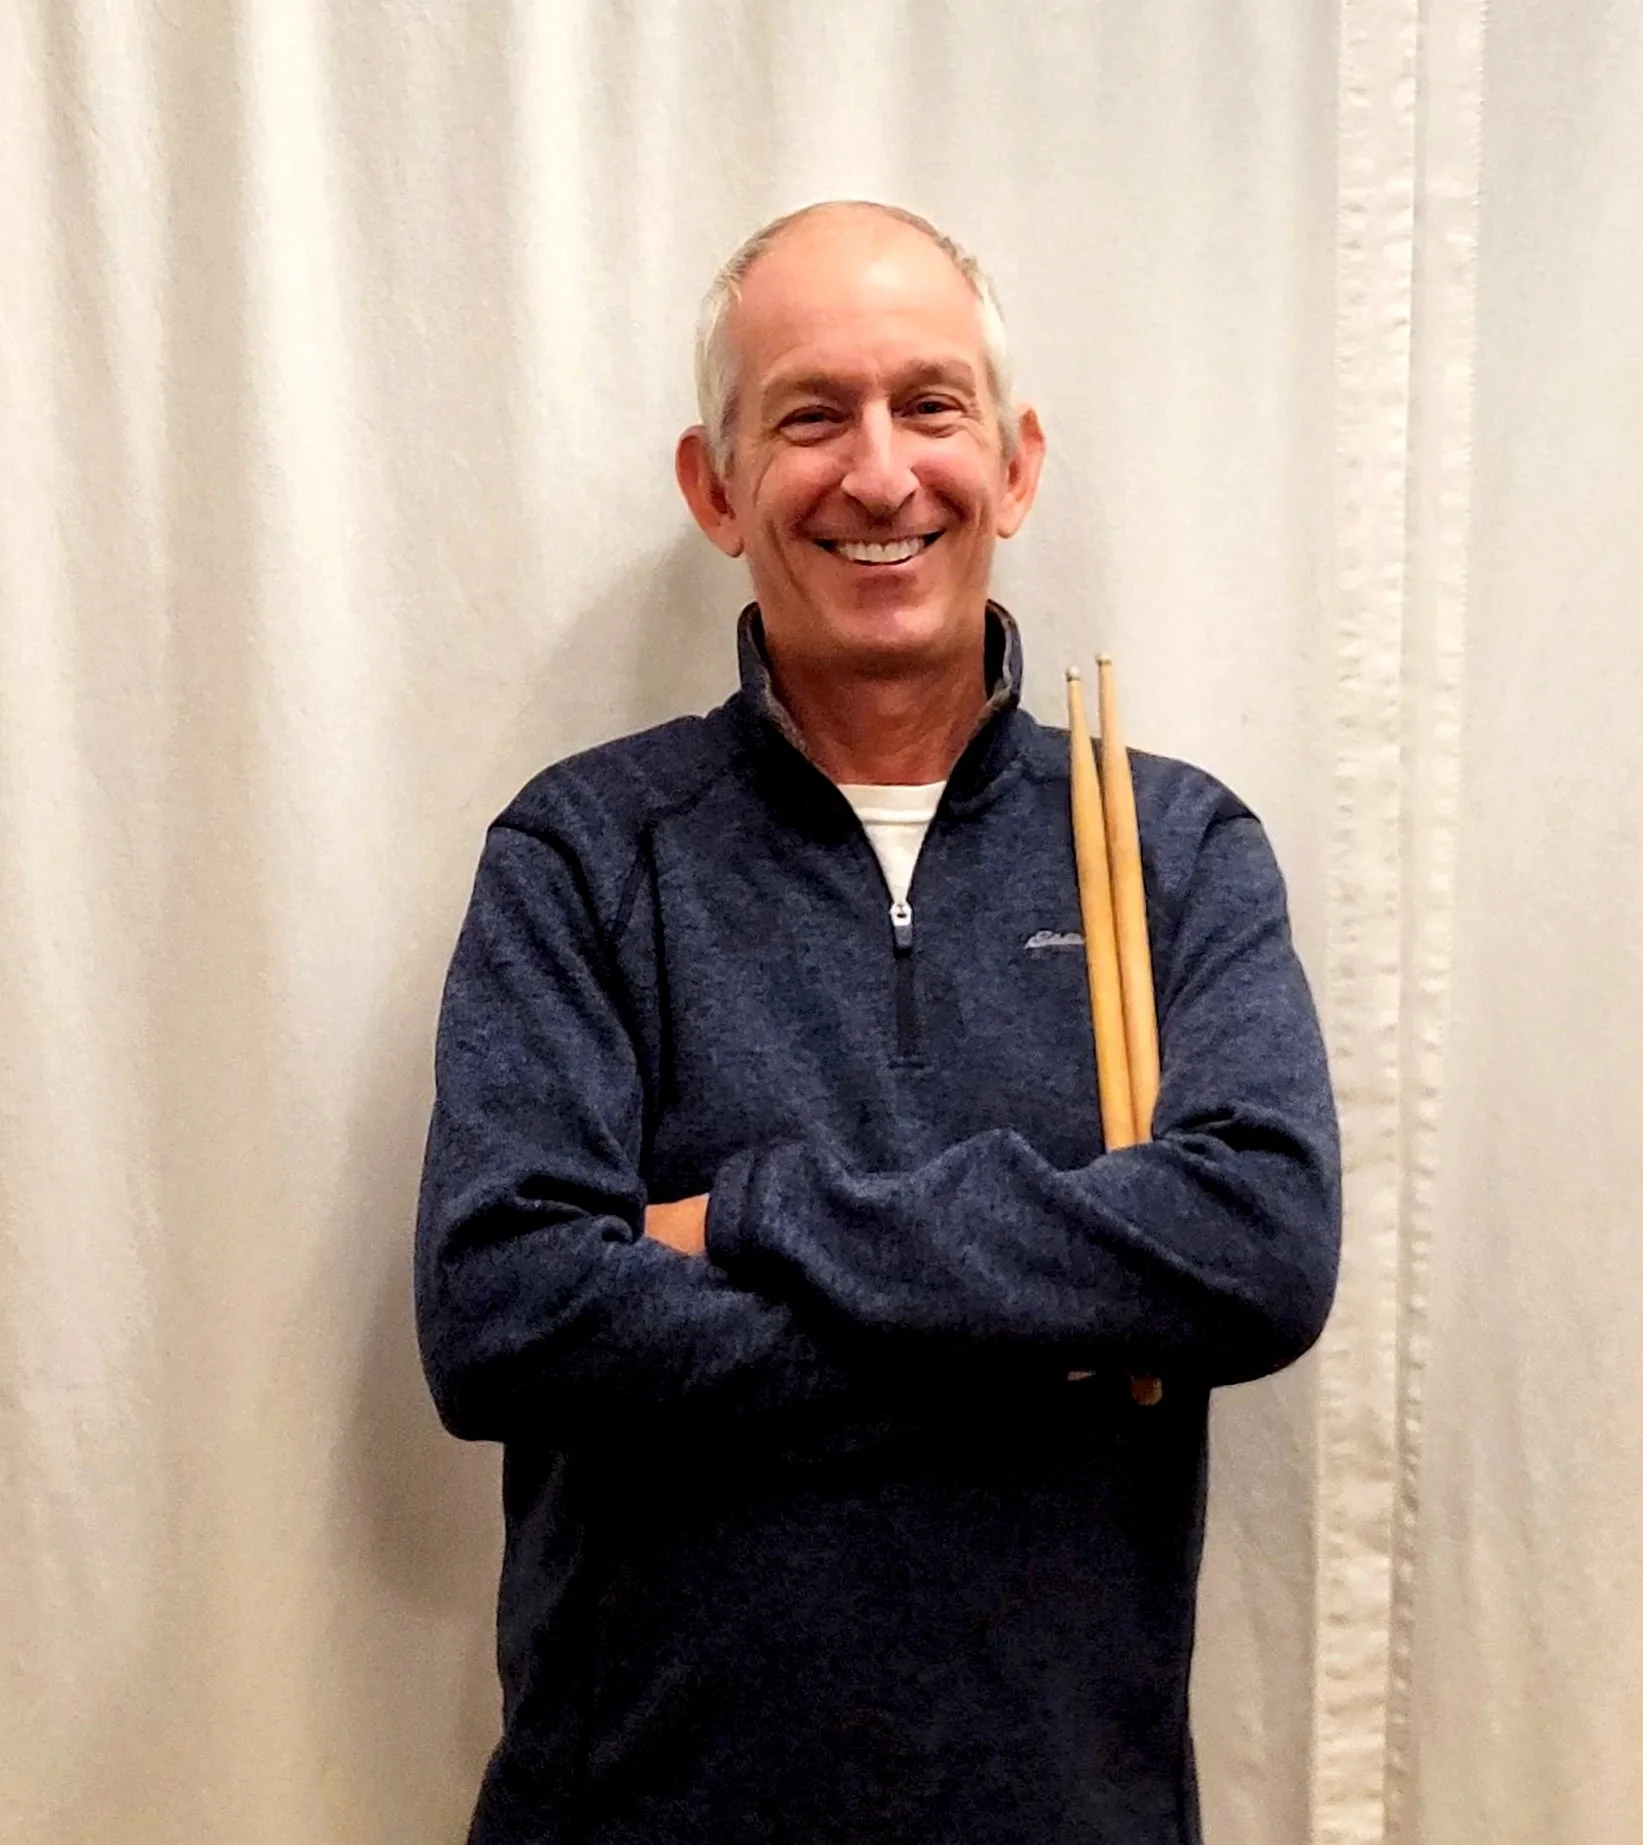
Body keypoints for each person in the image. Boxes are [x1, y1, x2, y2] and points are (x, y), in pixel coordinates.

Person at [415, 200, 1340, 1845]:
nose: (881, 472)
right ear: (715, 487)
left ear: (1018, 460)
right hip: (635, 1808)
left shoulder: (1171, 846)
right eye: (809, 416)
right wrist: (1058, 1329)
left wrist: (753, 1218)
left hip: (1069, 1810)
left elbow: (1259, 1243)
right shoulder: (582, 853)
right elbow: (507, 1309)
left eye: (931, 404)